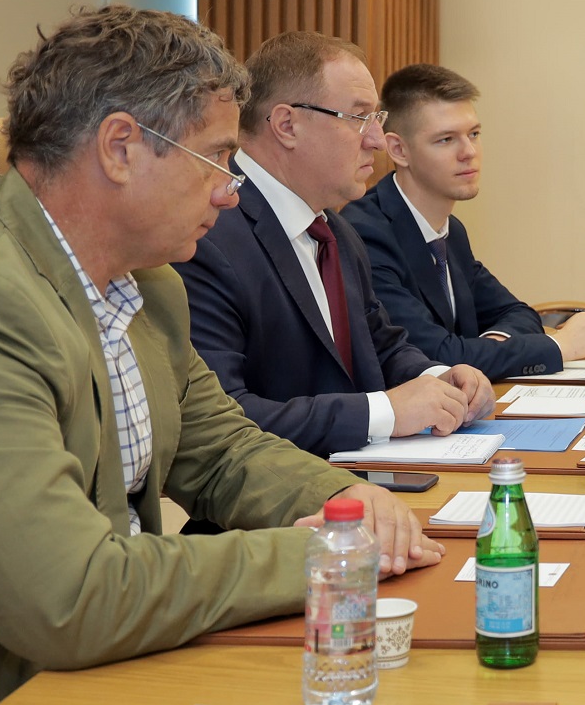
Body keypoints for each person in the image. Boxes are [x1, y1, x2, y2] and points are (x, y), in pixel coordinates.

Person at [0, 7, 441, 705]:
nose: (231, 190)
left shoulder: (148, 284)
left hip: (115, 664)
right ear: (120, 148)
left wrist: (347, 502)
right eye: (217, 158)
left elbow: (224, 452)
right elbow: (71, 596)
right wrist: (321, 554)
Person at [177, 33, 496, 457]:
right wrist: (384, 413)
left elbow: (381, 346)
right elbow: (222, 419)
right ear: (287, 125)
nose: (377, 140)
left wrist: (439, 378)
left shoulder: (335, 231)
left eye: (376, 119)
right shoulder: (206, 235)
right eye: (359, 117)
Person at [342, 64, 585, 380]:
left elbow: (517, 312)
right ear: (399, 150)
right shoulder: (364, 234)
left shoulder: (450, 231)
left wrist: (490, 347)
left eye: (474, 134)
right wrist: (560, 347)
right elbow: (434, 356)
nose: (469, 152)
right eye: (446, 139)